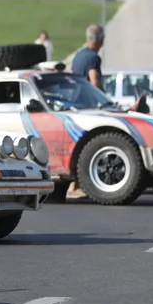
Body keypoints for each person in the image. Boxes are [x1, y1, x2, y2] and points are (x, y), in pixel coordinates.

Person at [66, 25, 104, 200]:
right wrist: (103, 98)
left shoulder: (79, 55)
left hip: (74, 103)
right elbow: (94, 81)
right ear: (101, 40)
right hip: (87, 106)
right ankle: (76, 185)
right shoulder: (93, 58)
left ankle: (73, 185)